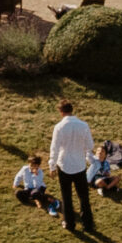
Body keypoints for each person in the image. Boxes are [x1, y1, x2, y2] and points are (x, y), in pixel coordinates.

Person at [49, 99, 96, 232]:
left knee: (66, 196)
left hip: (64, 165)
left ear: (61, 112)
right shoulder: (84, 125)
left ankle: (69, 224)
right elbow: (90, 145)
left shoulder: (59, 127)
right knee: (84, 196)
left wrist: (52, 165)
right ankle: (88, 224)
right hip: (80, 164)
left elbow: (55, 148)